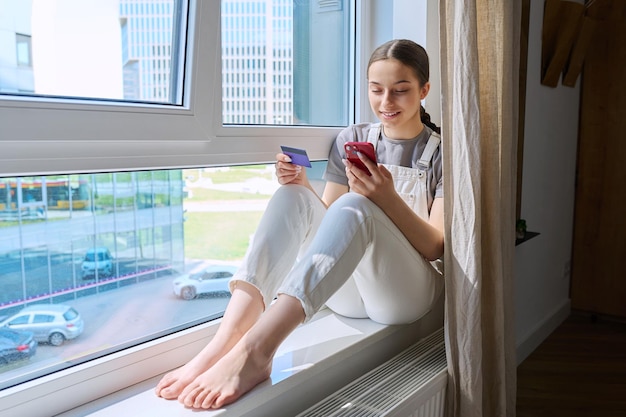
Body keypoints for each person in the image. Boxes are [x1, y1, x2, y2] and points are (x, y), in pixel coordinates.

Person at [155, 38, 445, 410]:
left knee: (357, 202)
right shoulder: (353, 139)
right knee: (292, 196)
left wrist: (386, 198)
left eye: (400, 91)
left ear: (424, 90)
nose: (385, 103)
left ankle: (258, 351)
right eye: (376, 90)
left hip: (405, 295)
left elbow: (436, 245)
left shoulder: (441, 151)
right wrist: (303, 188)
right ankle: (226, 340)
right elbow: (333, 224)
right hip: (350, 293)